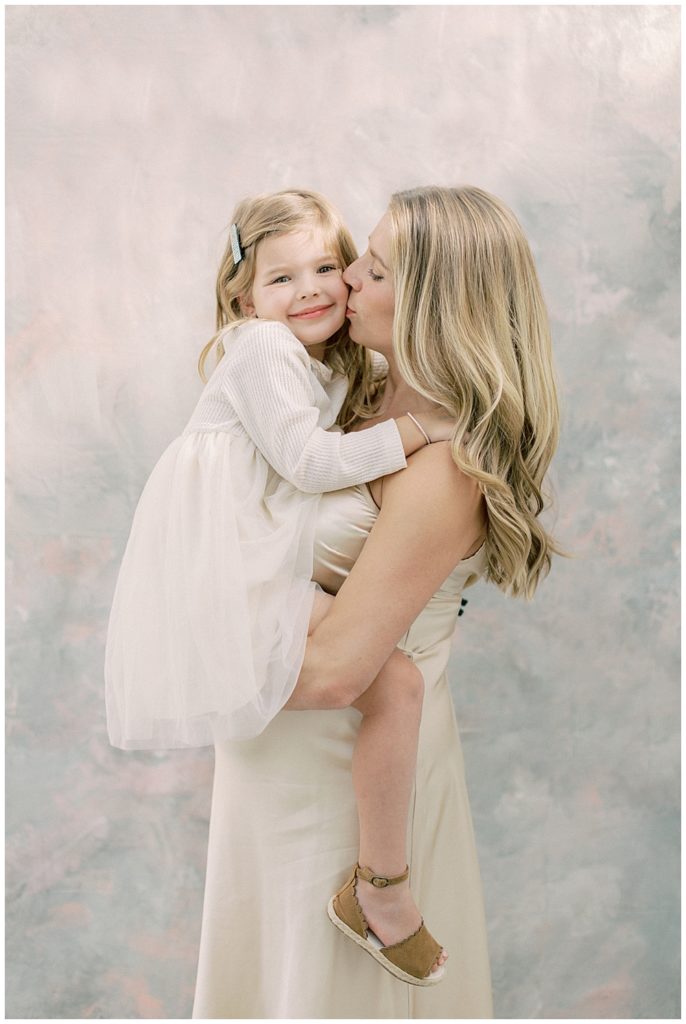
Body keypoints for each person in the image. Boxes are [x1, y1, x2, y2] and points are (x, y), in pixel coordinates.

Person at [192, 185, 561, 1018]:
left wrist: (200, 645)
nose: (348, 277)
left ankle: (381, 893)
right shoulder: (355, 390)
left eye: (375, 268)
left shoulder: (443, 463)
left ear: (433, 300)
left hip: (349, 788)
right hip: (274, 767)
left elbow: (332, 674)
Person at [105, 190, 453, 982]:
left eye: (329, 267)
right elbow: (307, 464)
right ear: (243, 298)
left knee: (391, 682)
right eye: (281, 280)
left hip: (238, 561)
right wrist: (419, 430)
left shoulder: (323, 360)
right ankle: (382, 894)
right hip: (221, 569)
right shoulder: (263, 350)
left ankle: (378, 888)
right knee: (393, 684)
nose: (313, 291)